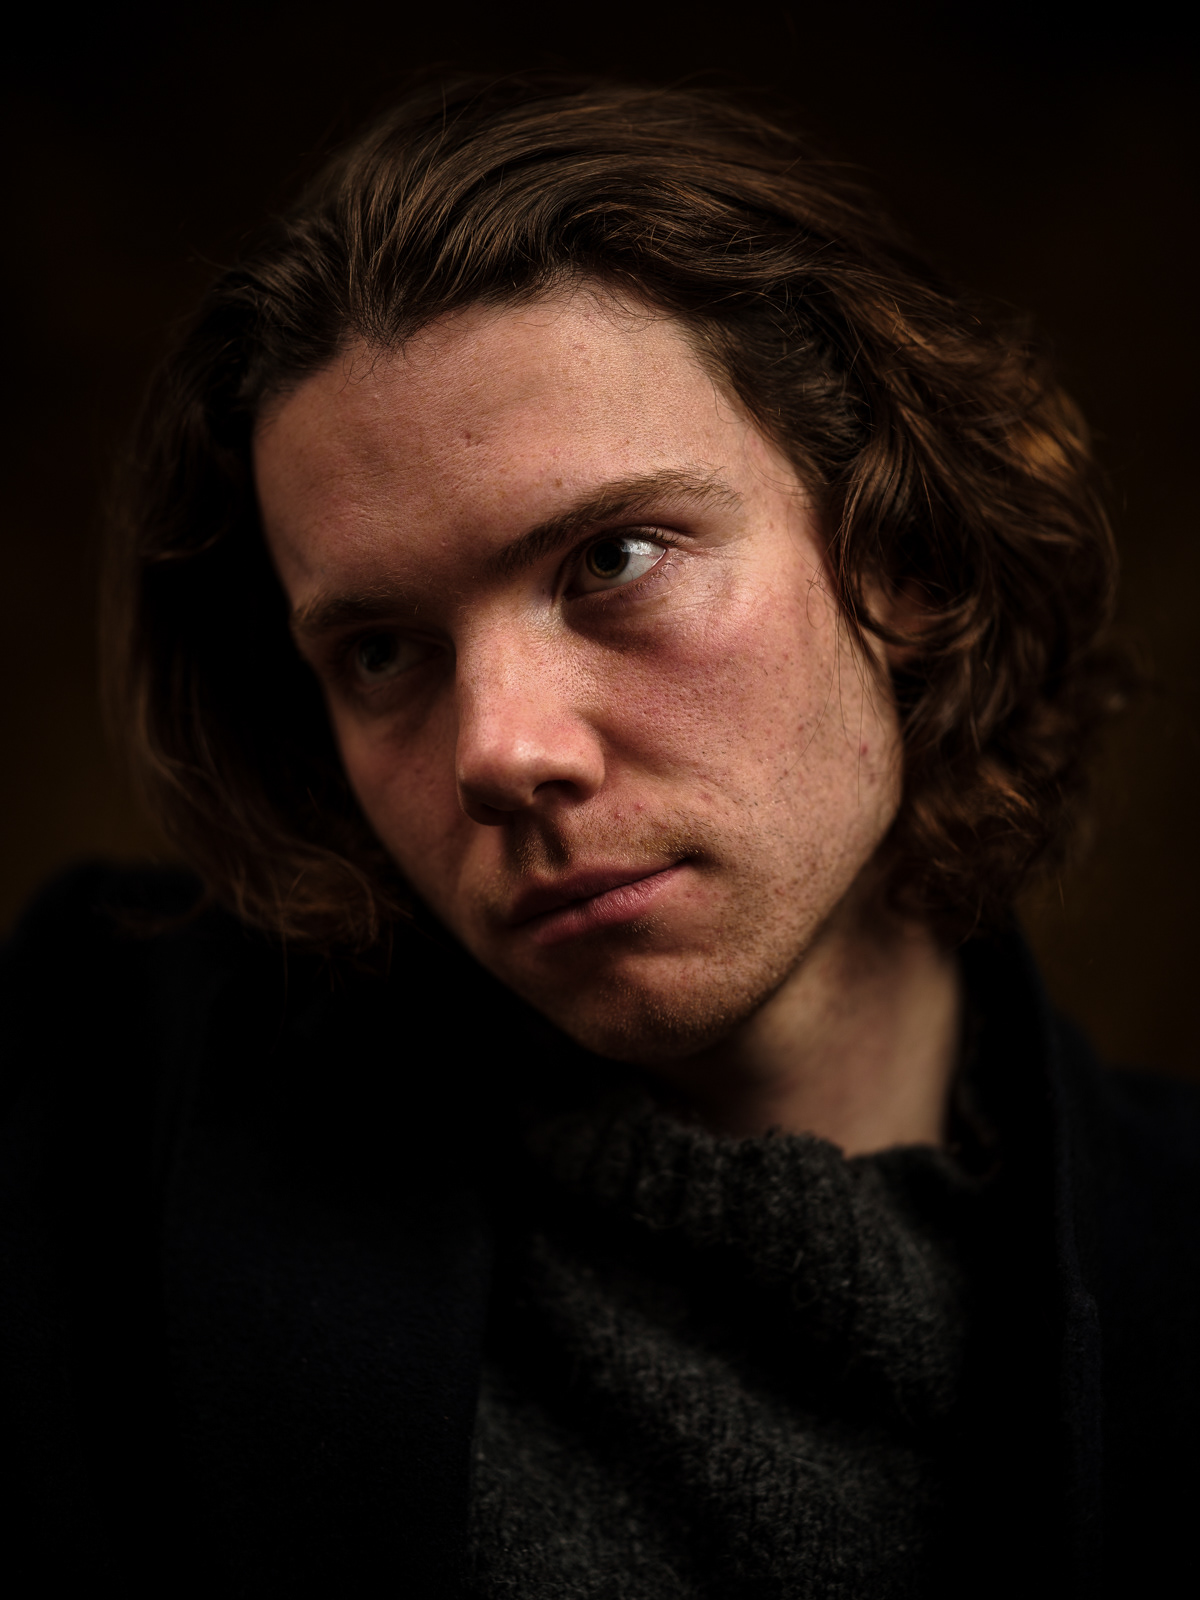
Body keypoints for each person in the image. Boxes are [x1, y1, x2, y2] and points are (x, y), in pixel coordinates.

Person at [2, 73, 1196, 1599]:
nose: (498, 752)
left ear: (902, 554)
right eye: (382, 651)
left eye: (615, 559)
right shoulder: (94, 1102)